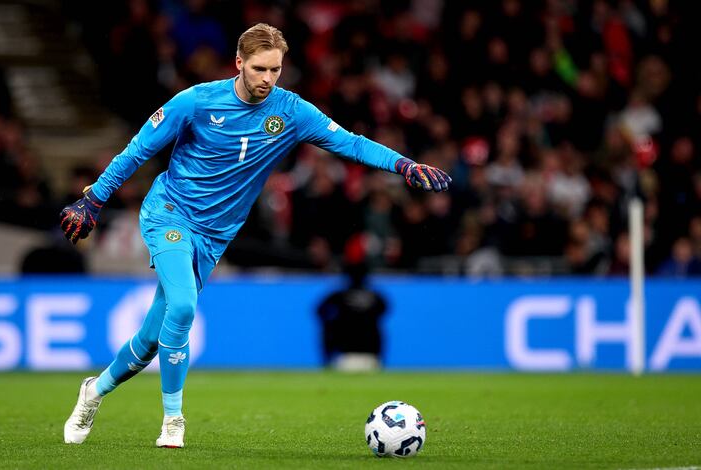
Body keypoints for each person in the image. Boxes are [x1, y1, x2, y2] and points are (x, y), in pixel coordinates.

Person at [60, 23, 451, 449]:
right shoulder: (195, 101)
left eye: (276, 70)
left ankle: (94, 391)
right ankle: (173, 420)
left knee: (154, 337)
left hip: (215, 235)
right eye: (260, 68)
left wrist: (404, 166)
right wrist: (94, 200)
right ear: (239, 63)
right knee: (185, 306)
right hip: (169, 213)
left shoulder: (292, 111)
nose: (268, 79)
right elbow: (137, 150)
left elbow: (352, 144)